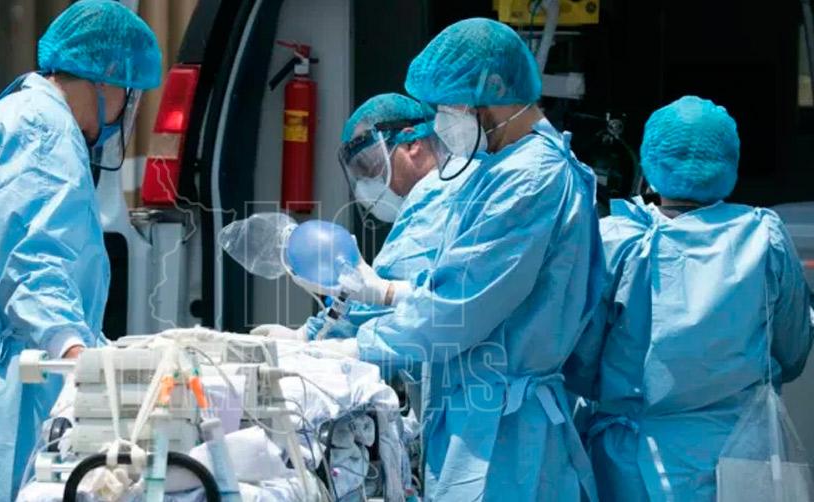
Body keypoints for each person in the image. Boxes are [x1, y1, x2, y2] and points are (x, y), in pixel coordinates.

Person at [310, 18, 605, 501]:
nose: (443, 121)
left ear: (491, 95)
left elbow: (457, 309)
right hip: (483, 417)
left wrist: (354, 348)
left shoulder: (530, 177)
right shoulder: (501, 169)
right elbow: (454, 286)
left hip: (502, 435)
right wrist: (388, 295)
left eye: (451, 107)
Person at [0, 1, 161, 500]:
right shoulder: (44, 132)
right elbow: (36, 262)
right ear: (106, 79)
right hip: (19, 390)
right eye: (128, 93)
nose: (125, 109)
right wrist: (79, 359)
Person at [566, 96, 813, 501]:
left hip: (632, 465)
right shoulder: (764, 237)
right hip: (740, 458)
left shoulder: (618, 240)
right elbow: (794, 351)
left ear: (649, 164)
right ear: (729, 164)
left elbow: (581, 364)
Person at [254, 92, 480, 341]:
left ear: (411, 144)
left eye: (370, 165)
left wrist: (310, 334)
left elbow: (386, 293)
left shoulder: (438, 195)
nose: (366, 184)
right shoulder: (445, 191)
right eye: (358, 174)